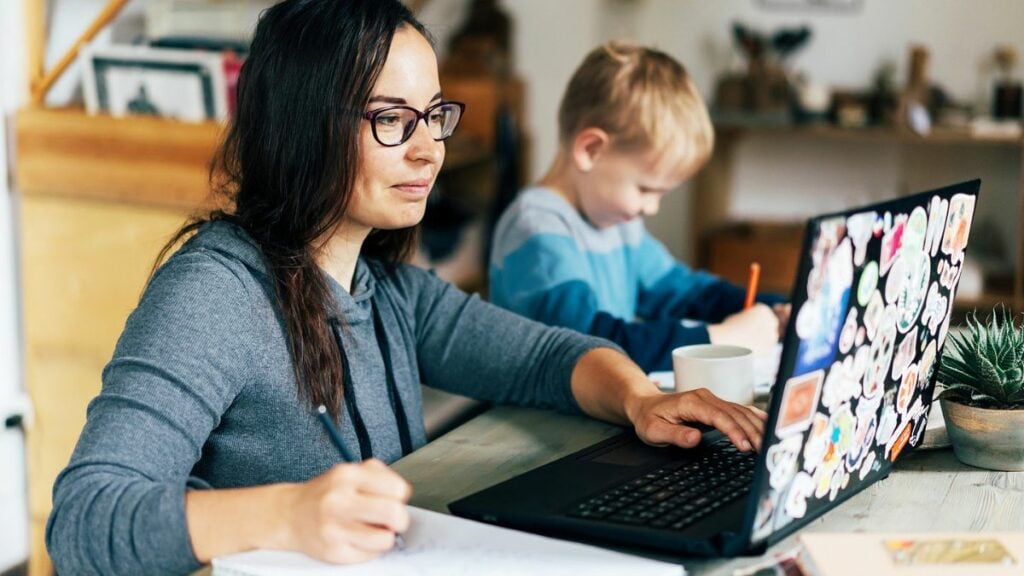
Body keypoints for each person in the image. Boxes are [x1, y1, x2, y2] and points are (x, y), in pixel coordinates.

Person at [45, 3, 767, 574]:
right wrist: (287, 514)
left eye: (433, 117)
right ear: (305, 126)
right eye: (392, 120)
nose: (428, 148)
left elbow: (546, 357)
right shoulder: (213, 295)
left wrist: (640, 397)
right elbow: (83, 524)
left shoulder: (386, 288)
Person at [489, 42, 790, 373]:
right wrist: (718, 338)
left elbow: (684, 292)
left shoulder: (617, 222)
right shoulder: (537, 229)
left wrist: (773, 308)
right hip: (534, 419)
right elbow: (592, 345)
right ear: (591, 150)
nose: (652, 208)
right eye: (646, 189)